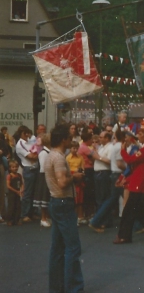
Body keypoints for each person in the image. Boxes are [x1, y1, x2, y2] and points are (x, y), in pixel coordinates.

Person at [45, 124, 85, 292]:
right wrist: (74, 176)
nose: (71, 140)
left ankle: (57, 286)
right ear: (63, 139)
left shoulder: (51, 155)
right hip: (63, 202)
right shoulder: (60, 158)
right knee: (73, 247)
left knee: (57, 248)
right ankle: (74, 287)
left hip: (55, 201)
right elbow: (62, 182)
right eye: (69, 137)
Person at [113, 124, 144, 244]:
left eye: (140, 134)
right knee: (137, 208)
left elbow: (130, 161)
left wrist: (123, 151)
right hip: (137, 179)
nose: (138, 136)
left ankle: (124, 235)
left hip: (139, 181)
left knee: (129, 210)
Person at [15, 125, 39, 223]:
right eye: (25, 133)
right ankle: (24, 214)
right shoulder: (20, 144)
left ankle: (31, 213)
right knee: (28, 193)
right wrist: (39, 152)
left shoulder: (31, 140)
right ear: (21, 134)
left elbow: (37, 148)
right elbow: (31, 157)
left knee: (34, 192)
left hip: (36, 168)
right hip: (29, 169)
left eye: (28, 133)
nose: (27, 135)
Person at [33, 134, 52, 227]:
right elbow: (44, 168)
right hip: (44, 176)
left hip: (48, 176)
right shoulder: (43, 153)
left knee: (47, 198)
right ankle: (43, 218)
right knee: (44, 197)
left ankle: (47, 217)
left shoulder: (49, 151)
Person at [5, 160, 23, 226]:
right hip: (11, 194)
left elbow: (22, 183)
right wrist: (16, 191)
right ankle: (9, 220)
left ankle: (17, 220)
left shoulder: (19, 175)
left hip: (18, 193)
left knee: (18, 206)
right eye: (13, 167)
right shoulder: (9, 176)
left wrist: (22, 190)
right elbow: (8, 186)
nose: (15, 168)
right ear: (10, 168)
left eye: (16, 167)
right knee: (11, 207)